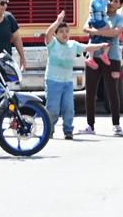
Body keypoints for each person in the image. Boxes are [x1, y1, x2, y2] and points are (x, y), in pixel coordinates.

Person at [43, 10, 106, 139]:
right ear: (56, 34)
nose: (65, 34)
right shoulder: (53, 44)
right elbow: (47, 34)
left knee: (69, 108)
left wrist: (101, 46)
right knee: (53, 109)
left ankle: (68, 130)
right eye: (61, 32)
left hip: (67, 82)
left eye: (67, 31)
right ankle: (49, 130)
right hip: (53, 81)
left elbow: (87, 48)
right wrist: (58, 21)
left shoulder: (73, 45)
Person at [82, 0, 123, 135]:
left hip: (111, 58)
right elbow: (85, 28)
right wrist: (101, 31)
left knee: (112, 91)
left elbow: (116, 33)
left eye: (116, 1)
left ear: (120, 5)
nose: (112, 3)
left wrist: (97, 32)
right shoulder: (96, 12)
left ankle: (116, 124)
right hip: (93, 56)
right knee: (90, 91)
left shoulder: (120, 18)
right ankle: (90, 125)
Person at [83, 0, 113, 70]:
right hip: (97, 21)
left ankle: (90, 58)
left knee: (94, 39)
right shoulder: (95, 0)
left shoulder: (98, 0)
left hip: (96, 21)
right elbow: (99, 8)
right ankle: (104, 54)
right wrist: (106, 1)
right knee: (109, 34)